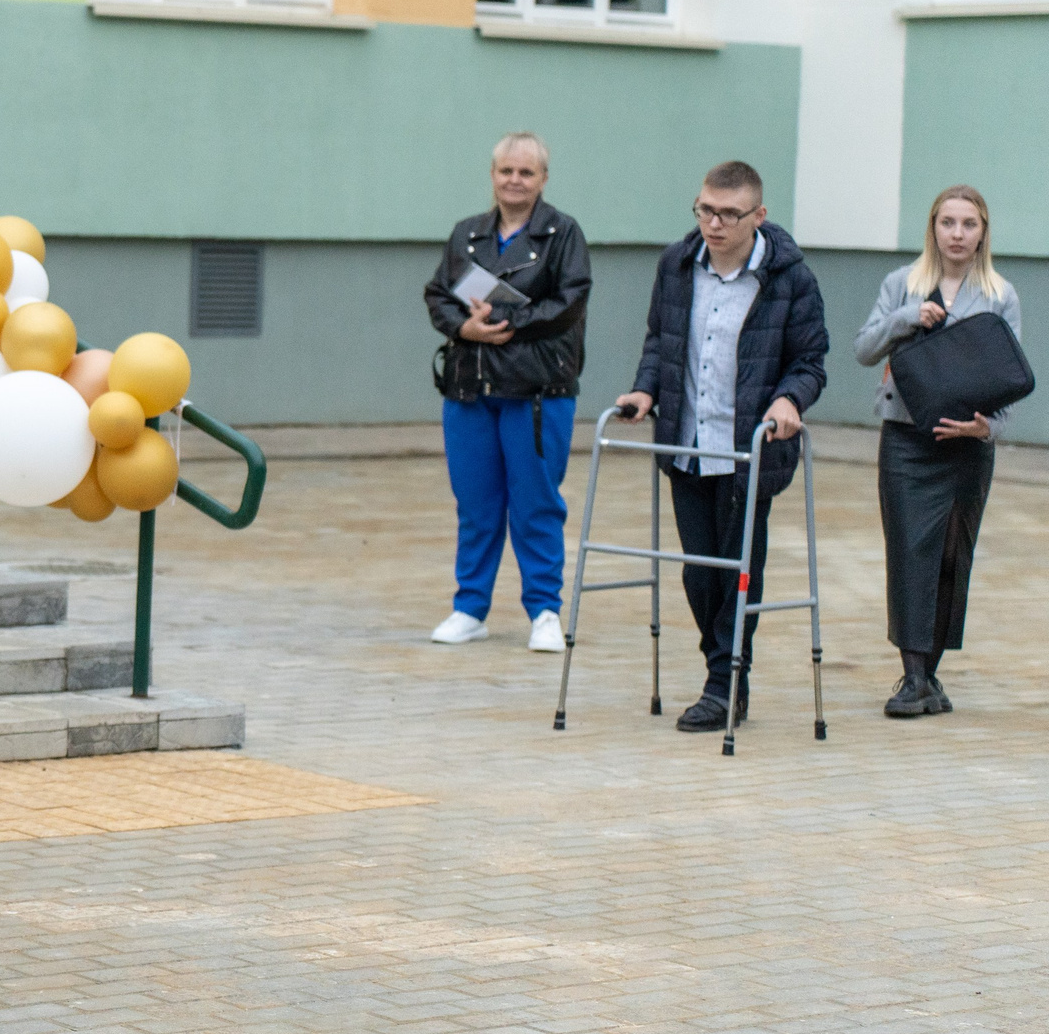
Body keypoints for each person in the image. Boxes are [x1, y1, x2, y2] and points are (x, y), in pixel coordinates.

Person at [615, 161, 827, 733]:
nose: (713, 223)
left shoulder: (789, 279)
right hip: (687, 442)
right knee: (697, 572)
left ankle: (724, 681)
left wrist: (790, 400)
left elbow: (810, 361)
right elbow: (661, 340)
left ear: (758, 216)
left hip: (748, 450)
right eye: (705, 209)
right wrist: (644, 390)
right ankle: (725, 668)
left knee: (738, 569)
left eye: (728, 214)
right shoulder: (678, 265)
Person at [422, 132, 592, 653]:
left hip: (537, 391)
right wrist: (462, 329)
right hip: (470, 389)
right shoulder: (466, 234)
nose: (514, 181)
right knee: (475, 504)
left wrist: (505, 320)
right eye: (505, 172)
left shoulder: (564, 234)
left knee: (536, 503)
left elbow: (569, 301)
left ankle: (544, 611)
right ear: (492, 175)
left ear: (543, 179)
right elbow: (437, 294)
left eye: (526, 173)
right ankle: (469, 608)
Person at [854, 185, 1019, 720]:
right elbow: (863, 349)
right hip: (906, 440)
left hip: (966, 450)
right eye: (948, 222)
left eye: (968, 224)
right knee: (909, 554)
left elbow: (1010, 379)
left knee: (952, 555)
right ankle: (914, 676)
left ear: (982, 232)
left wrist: (985, 429)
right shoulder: (901, 283)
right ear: (933, 228)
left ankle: (930, 672)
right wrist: (907, 318)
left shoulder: (1000, 295)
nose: (957, 234)